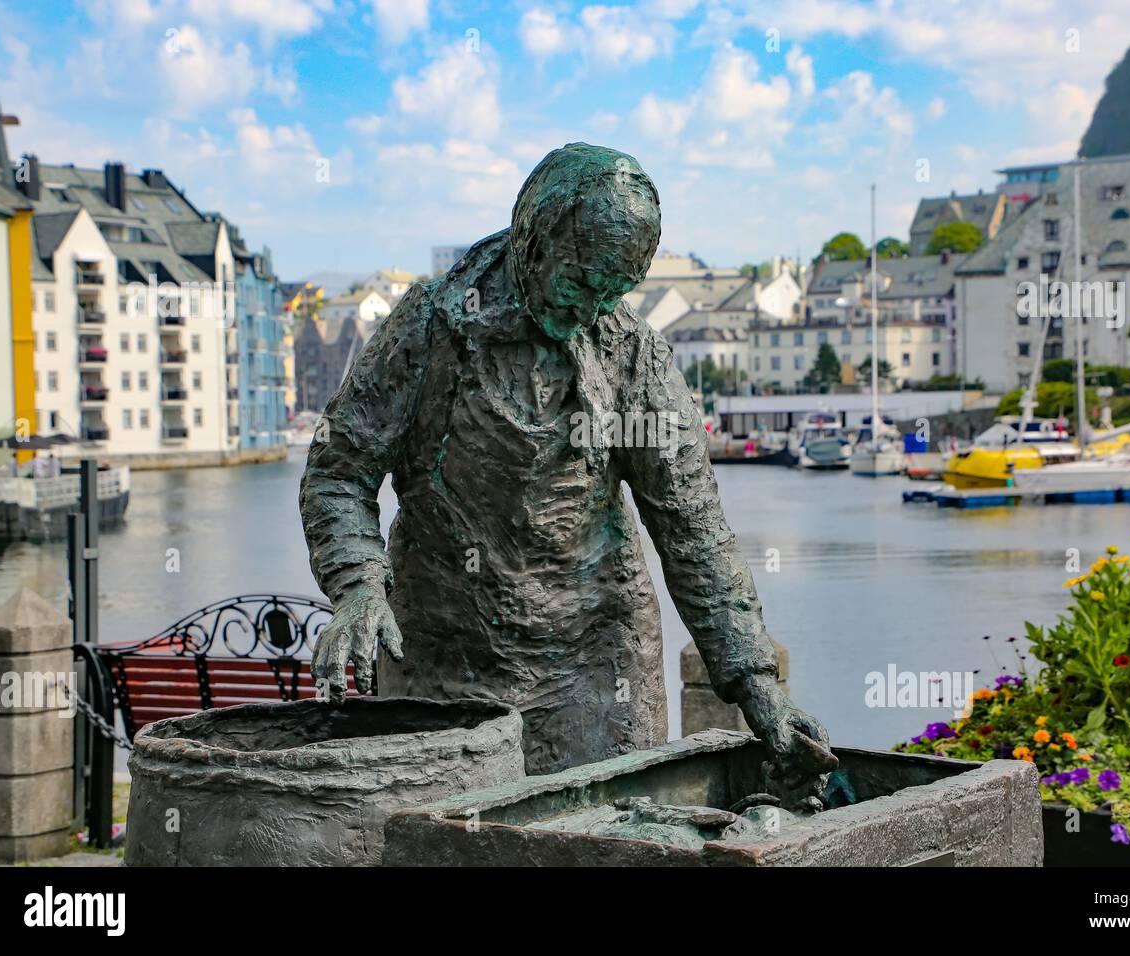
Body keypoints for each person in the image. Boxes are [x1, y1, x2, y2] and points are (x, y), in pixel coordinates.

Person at [300, 143, 835, 799]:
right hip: (445, 653)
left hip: (597, 660)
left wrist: (758, 685)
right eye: (581, 283)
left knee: (613, 834)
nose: (591, 309)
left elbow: (692, 527)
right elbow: (339, 470)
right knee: (443, 844)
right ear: (532, 240)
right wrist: (358, 584)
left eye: (614, 291)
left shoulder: (631, 350)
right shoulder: (429, 328)